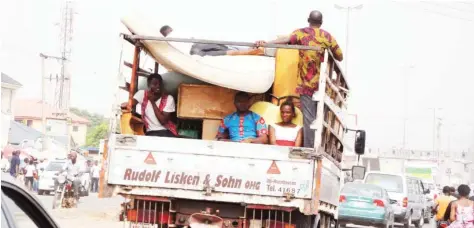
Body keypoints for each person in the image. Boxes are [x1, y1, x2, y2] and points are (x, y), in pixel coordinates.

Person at [255, 10, 343, 148]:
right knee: (320, 119)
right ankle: (319, 146)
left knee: (309, 118)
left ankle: (309, 148)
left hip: (306, 84)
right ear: (321, 22)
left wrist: (266, 43)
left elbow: (285, 40)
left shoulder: (301, 33)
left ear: (308, 20)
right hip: (322, 85)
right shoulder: (327, 37)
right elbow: (340, 56)